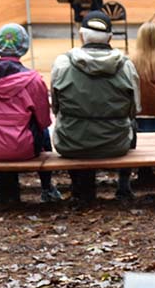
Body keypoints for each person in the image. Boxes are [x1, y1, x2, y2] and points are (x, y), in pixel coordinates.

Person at [51, 11, 140, 202]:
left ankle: (78, 186)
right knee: (133, 124)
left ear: (81, 35)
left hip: (71, 143)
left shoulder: (62, 63)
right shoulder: (126, 66)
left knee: (72, 123)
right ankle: (124, 185)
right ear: (110, 38)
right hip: (115, 144)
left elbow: (56, 108)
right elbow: (134, 110)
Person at [0, 23, 62, 205]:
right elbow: (44, 120)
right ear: (24, 47)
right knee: (43, 131)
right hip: (23, 146)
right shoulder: (33, 79)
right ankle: (47, 188)